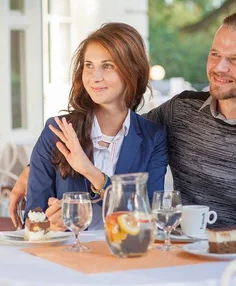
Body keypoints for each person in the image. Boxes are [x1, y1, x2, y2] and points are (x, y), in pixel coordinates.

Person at [11, 10, 236, 257]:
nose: (219, 68)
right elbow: (123, 129)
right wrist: (40, 165)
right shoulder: (181, 113)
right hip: (193, 262)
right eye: (215, 55)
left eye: (235, 60)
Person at [24, 22, 168, 230]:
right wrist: (52, 225)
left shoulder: (153, 137)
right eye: (89, 65)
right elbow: (33, 222)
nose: (94, 77)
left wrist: (92, 173)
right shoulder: (56, 132)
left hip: (129, 256)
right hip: (67, 257)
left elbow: (153, 219)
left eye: (107, 66)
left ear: (133, 71)